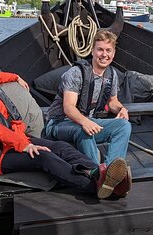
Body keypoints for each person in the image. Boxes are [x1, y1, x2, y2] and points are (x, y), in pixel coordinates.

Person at [0, 47, 131, 199]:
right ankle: (102, 189)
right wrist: (24, 145)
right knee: (44, 156)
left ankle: (100, 172)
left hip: (15, 139)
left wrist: (15, 77)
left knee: (61, 147)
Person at [44, 30, 132, 164]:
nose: (104, 54)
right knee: (84, 130)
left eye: (108, 50)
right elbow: (68, 107)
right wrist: (85, 122)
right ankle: (95, 172)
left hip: (88, 121)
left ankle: (111, 170)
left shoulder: (111, 74)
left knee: (124, 126)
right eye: (100, 50)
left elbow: (113, 102)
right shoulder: (76, 73)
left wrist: (121, 109)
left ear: (113, 54)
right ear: (92, 51)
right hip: (59, 124)